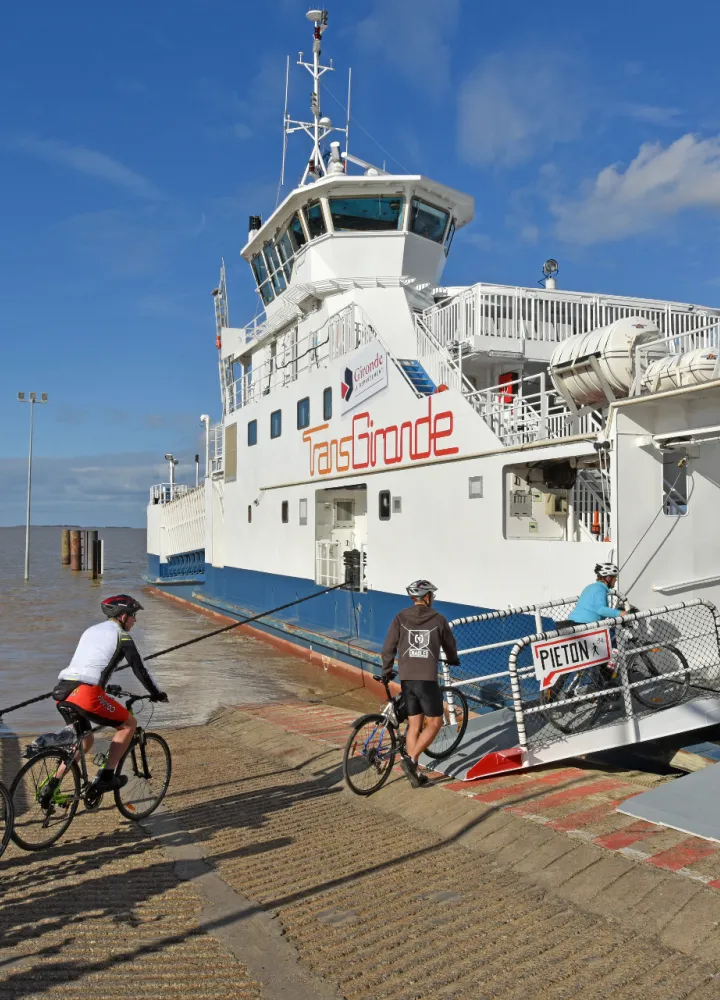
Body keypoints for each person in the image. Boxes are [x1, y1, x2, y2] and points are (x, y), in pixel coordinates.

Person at [46, 595, 167, 801]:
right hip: (86, 694)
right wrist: (157, 693)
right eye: (133, 615)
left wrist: (103, 686)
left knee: (85, 742)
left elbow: (89, 664)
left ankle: (51, 786)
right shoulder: (123, 636)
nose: (135, 620)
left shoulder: (90, 631)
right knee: (128, 724)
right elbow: (140, 670)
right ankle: (107, 777)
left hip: (63, 691)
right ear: (123, 616)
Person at [381, 580, 459, 788]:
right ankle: (411, 759)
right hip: (426, 680)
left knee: (414, 725)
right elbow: (450, 644)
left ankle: (414, 773)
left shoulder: (400, 617)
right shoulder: (438, 619)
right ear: (427, 597)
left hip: (406, 679)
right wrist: (453, 658)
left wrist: (386, 670)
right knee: (435, 723)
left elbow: (388, 647)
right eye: (432, 595)